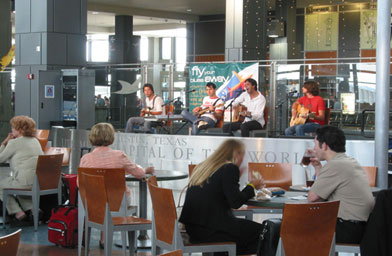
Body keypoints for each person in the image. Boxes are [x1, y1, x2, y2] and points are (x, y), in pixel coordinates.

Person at [179, 139, 264, 255]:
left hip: (194, 229)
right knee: (265, 233)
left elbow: (216, 195)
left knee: (247, 232)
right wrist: (252, 186)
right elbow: (235, 202)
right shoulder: (229, 168)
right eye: (242, 155)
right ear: (236, 153)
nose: (242, 160)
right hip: (213, 231)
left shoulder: (202, 167)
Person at [79, 122, 154, 248]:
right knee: (114, 198)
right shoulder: (119, 156)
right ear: (111, 137)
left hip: (93, 205)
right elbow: (139, 173)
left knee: (103, 199)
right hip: (118, 203)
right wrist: (146, 170)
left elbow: (79, 184)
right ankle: (114, 241)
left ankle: (103, 240)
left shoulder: (86, 158)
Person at [308, 126, 374, 244]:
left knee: (291, 229)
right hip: (363, 228)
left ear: (324, 146)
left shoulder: (335, 165)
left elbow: (312, 198)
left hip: (347, 229)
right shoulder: (349, 161)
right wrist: (318, 167)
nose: (314, 148)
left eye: (315, 144)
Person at [0, 116, 43, 221]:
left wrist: (4, 143)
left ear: (19, 130)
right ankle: (33, 210)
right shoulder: (35, 141)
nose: (11, 130)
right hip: (39, 181)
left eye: (13, 128)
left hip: (24, 182)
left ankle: (18, 212)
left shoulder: (14, 143)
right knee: (19, 188)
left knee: (1, 185)